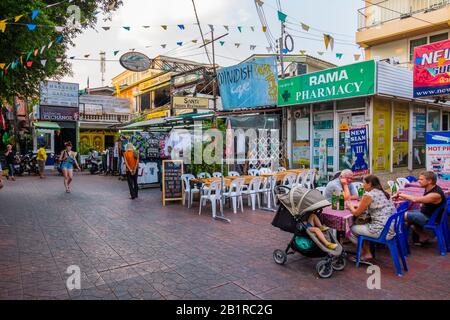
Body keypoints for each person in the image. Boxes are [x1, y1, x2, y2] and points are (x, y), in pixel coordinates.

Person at [346, 175, 397, 263]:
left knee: (350, 230)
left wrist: (350, 206)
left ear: (369, 184)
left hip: (382, 231)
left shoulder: (369, 195)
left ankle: (363, 253)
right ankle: (368, 252)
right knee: (362, 226)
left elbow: (356, 213)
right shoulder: (383, 192)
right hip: (391, 227)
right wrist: (358, 206)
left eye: (364, 183)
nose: (362, 185)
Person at [395, 171, 446, 246]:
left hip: (431, 218)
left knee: (401, 216)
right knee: (406, 214)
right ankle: (423, 236)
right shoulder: (429, 188)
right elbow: (421, 201)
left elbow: (416, 200)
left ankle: (399, 242)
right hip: (426, 214)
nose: (418, 181)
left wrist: (401, 195)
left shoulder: (435, 194)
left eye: (421, 179)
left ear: (429, 181)